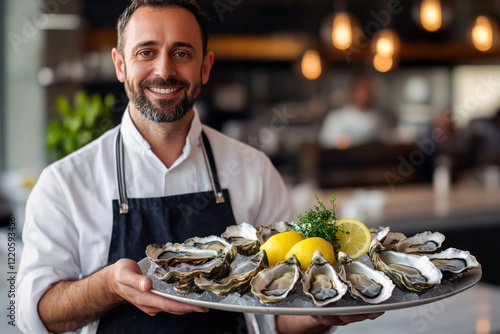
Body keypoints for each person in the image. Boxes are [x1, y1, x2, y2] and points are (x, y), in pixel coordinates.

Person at [17, 1, 382, 333]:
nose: (164, 70)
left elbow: (279, 317)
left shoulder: (253, 170)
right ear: (120, 64)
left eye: (182, 53)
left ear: (205, 67)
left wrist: (317, 316)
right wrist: (108, 285)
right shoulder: (64, 184)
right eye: (146, 52)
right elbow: (36, 315)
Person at [318, 76, 388, 149]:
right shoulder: (336, 117)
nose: (364, 95)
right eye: (360, 91)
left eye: (367, 91)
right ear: (352, 92)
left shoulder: (377, 119)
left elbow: (387, 141)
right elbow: (325, 142)